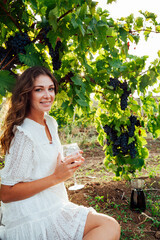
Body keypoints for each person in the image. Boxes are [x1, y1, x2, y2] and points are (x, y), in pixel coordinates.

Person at [0, 66, 121, 240]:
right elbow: (6, 193)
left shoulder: (50, 122)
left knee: (108, 226)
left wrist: (64, 165)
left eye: (50, 88)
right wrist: (57, 177)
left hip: (53, 202)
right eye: (39, 90)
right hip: (32, 213)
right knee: (108, 226)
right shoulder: (24, 135)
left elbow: (40, 165)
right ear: (27, 94)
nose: (47, 95)